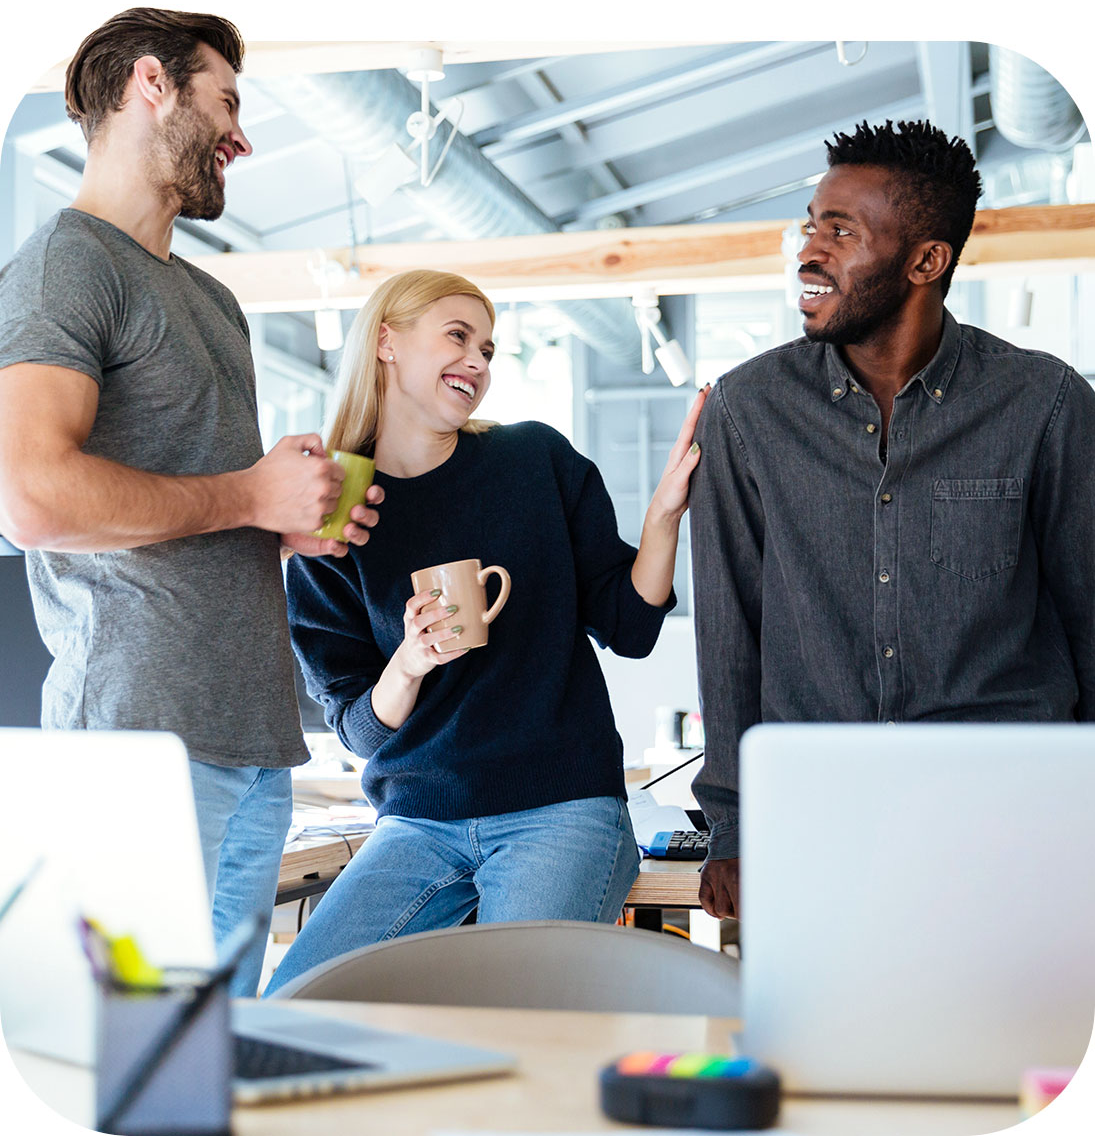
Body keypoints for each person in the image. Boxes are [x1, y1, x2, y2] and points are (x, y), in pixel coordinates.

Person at [0, 8, 380, 995]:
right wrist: (248, 492)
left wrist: (282, 521)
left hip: (253, 741)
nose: (242, 136)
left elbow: (201, 509)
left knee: (207, 1062)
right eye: (227, 101)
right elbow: (30, 496)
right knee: (136, 1064)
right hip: (139, 744)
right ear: (151, 87)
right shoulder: (63, 265)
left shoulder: (211, 299)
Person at [688, 119, 1095, 921]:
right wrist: (732, 826)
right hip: (819, 815)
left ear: (925, 261)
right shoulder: (747, 408)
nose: (808, 251)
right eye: (810, 226)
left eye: (840, 231)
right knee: (826, 1048)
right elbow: (730, 627)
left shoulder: (1043, 404)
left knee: (1013, 1044)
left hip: (1010, 816)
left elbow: (1089, 614)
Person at [262, 269, 706, 993]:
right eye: (458, 337)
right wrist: (406, 664)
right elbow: (356, 727)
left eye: (490, 349)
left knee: (519, 1007)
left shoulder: (532, 460)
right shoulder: (334, 508)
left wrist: (662, 517)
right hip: (416, 823)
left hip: (559, 811)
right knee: (296, 1002)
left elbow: (628, 626)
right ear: (386, 343)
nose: (478, 362)